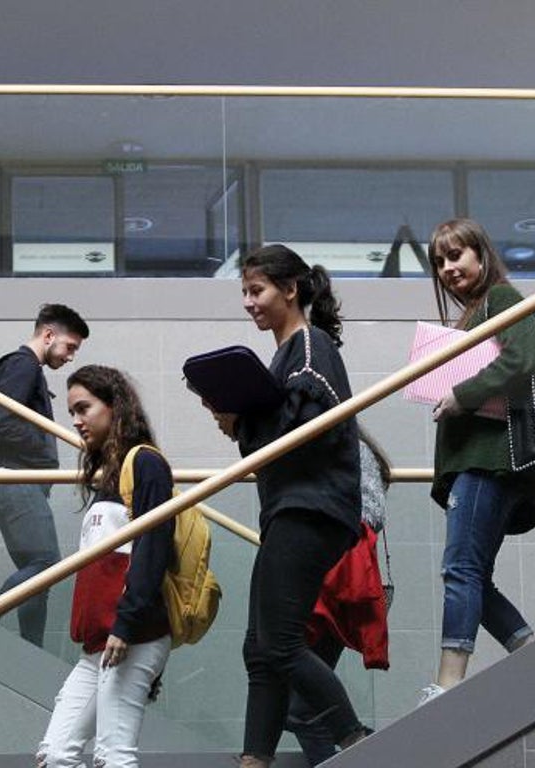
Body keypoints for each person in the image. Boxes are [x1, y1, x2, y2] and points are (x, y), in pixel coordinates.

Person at [208, 244, 370, 768]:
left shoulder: (308, 345)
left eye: (257, 291)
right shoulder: (288, 354)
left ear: (290, 289)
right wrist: (241, 423)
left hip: (311, 507)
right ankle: (254, 760)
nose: (249, 303)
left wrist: (243, 423)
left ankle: (356, 740)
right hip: (291, 507)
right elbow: (282, 436)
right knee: (261, 647)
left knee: (277, 643)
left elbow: (305, 431)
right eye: (245, 293)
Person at [419, 218, 535, 707]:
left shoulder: (502, 300)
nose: (449, 268)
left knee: (460, 569)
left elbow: (523, 358)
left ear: (481, 254)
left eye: (457, 256)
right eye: (441, 261)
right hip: (479, 461)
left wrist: (461, 395)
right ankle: (533, 653)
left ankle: (449, 685)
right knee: (471, 574)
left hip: (488, 461)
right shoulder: (471, 315)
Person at [36, 365, 175, 768]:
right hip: (100, 641)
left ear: (114, 406)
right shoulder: (109, 479)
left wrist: (127, 624)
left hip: (133, 633)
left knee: (113, 756)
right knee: (57, 755)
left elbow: (153, 549)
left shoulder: (146, 464)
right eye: (72, 412)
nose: (77, 421)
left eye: (84, 408)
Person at [0, 303, 89, 647]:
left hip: (14, 483)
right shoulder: (23, 366)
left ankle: (32, 650)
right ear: (48, 335)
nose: (71, 357)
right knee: (45, 563)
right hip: (15, 481)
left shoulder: (21, 368)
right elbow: (2, 424)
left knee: (37, 578)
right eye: (69, 347)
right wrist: (44, 451)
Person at [285, 430, 392, 767]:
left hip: (333, 575)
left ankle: (363, 746)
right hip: (334, 575)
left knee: (299, 707)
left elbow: (365, 511)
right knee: (298, 706)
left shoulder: (343, 448)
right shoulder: (345, 449)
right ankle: (364, 746)